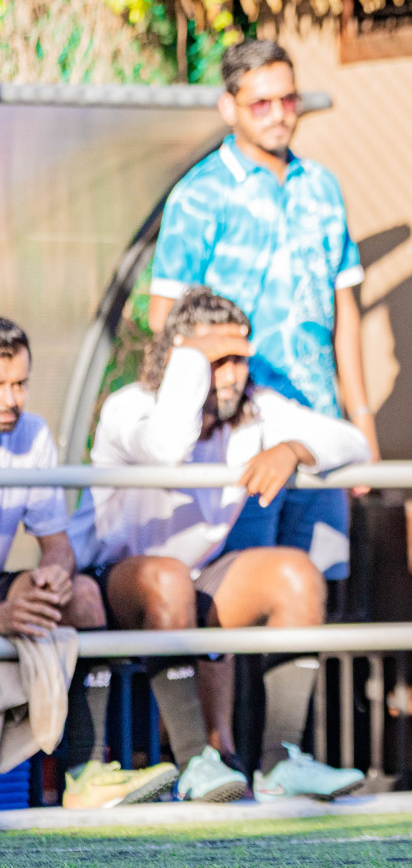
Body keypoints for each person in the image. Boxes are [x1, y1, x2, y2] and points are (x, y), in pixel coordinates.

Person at [69, 288, 373, 803]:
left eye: (240, 358)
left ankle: (280, 761)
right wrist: (189, 362)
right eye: (219, 359)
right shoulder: (129, 408)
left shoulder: (257, 410)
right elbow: (166, 449)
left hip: (194, 587)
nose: (233, 373)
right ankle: (194, 763)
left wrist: (293, 448)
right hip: (113, 587)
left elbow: (355, 444)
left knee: (295, 573)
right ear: (179, 355)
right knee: (165, 578)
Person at [147, 37, 375, 590]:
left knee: (314, 591)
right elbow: (163, 318)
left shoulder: (323, 187)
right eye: (261, 104)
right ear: (229, 107)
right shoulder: (198, 196)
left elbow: (345, 306)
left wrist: (360, 417)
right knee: (236, 593)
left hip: (319, 428)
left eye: (289, 101)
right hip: (239, 434)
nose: (279, 116)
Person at [0, 319, 174, 809]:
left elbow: (57, 543)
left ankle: (84, 771)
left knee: (82, 595)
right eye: (0, 386)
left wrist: (54, 572)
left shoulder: (31, 433)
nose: (13, 399)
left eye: (21, 384)